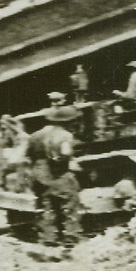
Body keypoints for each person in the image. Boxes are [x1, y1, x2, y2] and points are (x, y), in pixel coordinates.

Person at [26, 105, 83, 252]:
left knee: (46, 207)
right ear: (67, 121)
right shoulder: (65, 135)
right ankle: (70, 237)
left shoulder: (35, 135)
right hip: (59, 175)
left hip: (39, 175)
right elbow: (64, 155)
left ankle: (49, 238)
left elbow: (29, 155)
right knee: (69, 204)